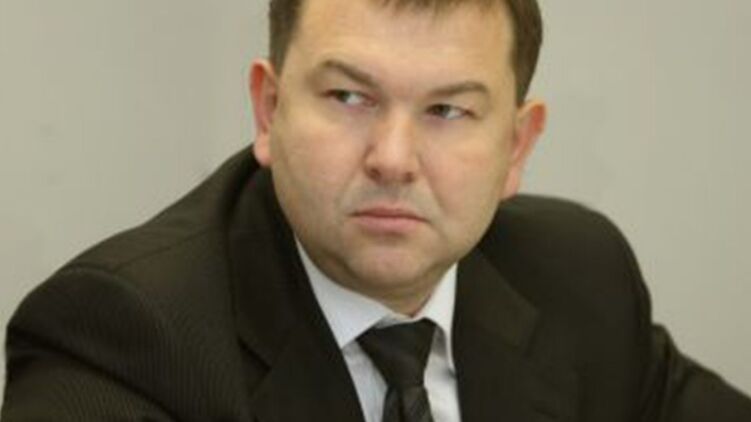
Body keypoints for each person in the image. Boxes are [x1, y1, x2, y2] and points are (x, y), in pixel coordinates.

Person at [2, 0, 751, 420]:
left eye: (448, 110)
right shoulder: (125, 337)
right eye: (349, 97)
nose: (393, 158)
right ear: (268, 109)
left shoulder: (578, 276)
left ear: (516, 146)